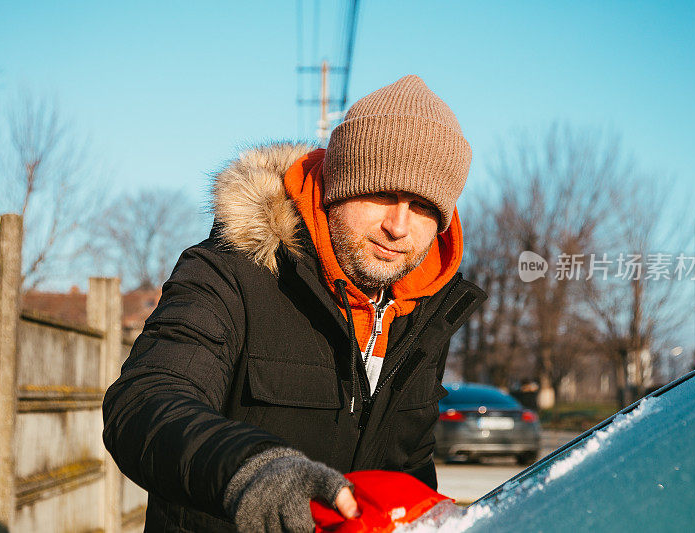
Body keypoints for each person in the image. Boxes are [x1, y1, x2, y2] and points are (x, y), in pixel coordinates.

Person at [102, 74, 487, 532]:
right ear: (338, 185)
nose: (399, 226)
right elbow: (145, 401)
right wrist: (248, 469)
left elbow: (411, 465)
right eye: (382, 194)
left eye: (423, 206)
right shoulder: (233, 271)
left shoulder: (426, 310)